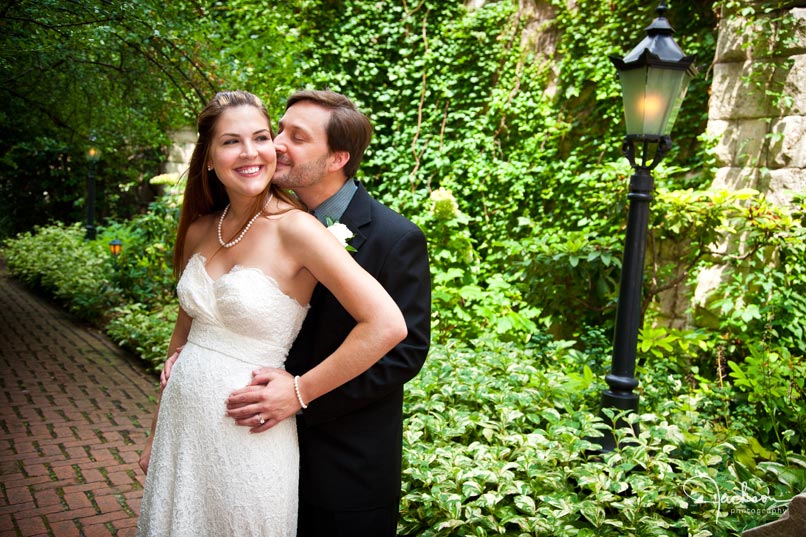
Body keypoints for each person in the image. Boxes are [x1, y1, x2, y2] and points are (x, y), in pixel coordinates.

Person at [137, 90, 407, 537]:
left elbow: (387, 324)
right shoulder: (201, 228)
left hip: (250, 435)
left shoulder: (298, 228)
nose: (253, 151)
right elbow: (181, 338)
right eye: (230, 141)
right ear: (207, 157)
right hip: (182, 432)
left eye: (261, 137)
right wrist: (155, 434)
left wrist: (299, 391)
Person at [227, 90, 432, 536]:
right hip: (255, 451)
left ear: (338, 157)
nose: (276, 142)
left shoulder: (396, 239)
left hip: (344, 466)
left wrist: (301, 397)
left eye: (296, 136)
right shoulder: (264, 221)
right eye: (280, 128)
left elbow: (405, 352)